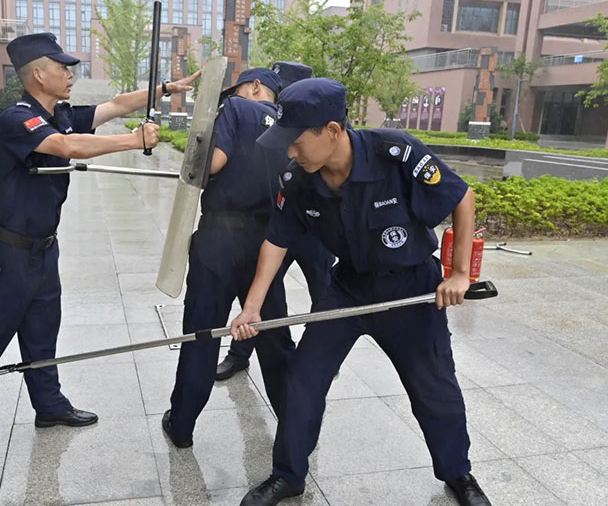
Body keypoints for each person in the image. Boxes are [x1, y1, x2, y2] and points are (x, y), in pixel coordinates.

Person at [0, 32, 198, 461]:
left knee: (42, 332)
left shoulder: (57, 112)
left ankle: (49, 405)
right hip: (8, 254)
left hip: (43, 250)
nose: (70, 73)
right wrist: (134, 141)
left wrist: (165, 90)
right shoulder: (18, 119)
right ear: (38, 73)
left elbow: (114, 106)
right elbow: (67, 146)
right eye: (62, 67)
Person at [231, 78, 492, 506]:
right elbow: (276, 241)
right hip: (348, 288)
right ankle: (288, 474)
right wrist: (252, 309)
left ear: (332, 131)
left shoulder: (395, 152)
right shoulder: (298, 179)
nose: (290, 151)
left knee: (434, 388)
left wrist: (458, 272)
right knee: (303, 380)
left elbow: (461, 197)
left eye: (296, 141)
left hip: (410, 287)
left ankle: (458, 474)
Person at [162, 68, 296, 449]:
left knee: (202, 335)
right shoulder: (290, 123)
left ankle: (183, 424)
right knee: (274, 338)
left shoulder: (237, 108)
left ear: (254, 86)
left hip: (220, 238)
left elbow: (212, 164)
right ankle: (294, 422)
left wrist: (193, 160)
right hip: (267, 243)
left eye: (234, 89)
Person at [215, 62, 334, 381]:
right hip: (279, 222)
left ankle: (320, 356)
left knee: (323, 293)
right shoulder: (271, 122)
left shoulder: (316, 123)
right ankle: (239, 354)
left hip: (314, 227)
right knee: (261, 289)